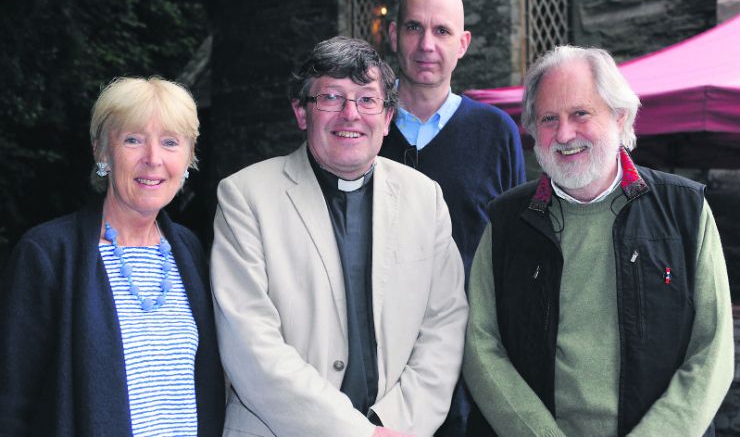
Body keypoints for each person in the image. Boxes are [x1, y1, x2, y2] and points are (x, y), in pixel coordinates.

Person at [463, 46, 734, 437]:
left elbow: (713, 349)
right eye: (549, 119)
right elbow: (480, 346)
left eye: (580, 114)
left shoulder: (685, 210)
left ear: (619, 115)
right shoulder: (507, 222)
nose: (565, 134)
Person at [211, 36, 468, 437]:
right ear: (301, 112)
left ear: (387, 118)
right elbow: (251, 348)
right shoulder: (245, 197)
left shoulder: (425, 197)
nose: (351, 114)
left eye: (367, 100)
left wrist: (394, 425)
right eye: (331, 97)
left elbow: (445, 325)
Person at [0, 77, 225, 436]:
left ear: (188, 157)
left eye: (170, 142)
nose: (153, 159)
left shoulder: (191, 251)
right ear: (102, 151)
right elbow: (11, 404)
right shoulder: (47, 254)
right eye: (133, 140)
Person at [380, 0, 526, 436]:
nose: (426, 44)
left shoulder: (496, 133)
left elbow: (513, 252)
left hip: (468, 366)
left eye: (442, 31)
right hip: (377, 362)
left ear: (462, 44)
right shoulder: (361, 130)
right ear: (391, 36)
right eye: (413, 27)